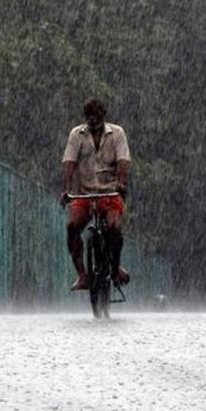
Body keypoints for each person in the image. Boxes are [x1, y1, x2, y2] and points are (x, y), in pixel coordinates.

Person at [59, 97, 131, 291]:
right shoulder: (77, 135)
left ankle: (114, 268)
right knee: (72, 227)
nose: (92, 121)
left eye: (96, 116)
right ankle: (83, 275)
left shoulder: (117, 134)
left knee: (114, 229)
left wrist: (122, 184)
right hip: (85, 195)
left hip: (110, 193)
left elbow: (123, 161)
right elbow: (69, 163)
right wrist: (66, 189)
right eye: (89, 117)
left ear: (103, 116)